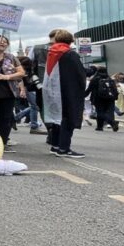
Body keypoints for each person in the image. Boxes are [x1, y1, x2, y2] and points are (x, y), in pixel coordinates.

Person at [42, 29, 86, 158]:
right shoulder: (69, 53)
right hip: (69, 90)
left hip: (54, 90)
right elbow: (79, 73)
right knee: (68, 118)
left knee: (57, 118)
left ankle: (55, 145)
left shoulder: (52, 52)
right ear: (70, 40)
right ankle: (64, 148)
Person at [14, 56, 45, 134]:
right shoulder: (24, 69)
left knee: (34, 106)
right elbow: (22, 80)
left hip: (28, 88)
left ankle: (15, 118)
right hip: (28, 88)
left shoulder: (20, 67)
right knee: (35, 106)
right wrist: (23, 90)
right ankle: (34, 126)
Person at [85, 66, 119, 132]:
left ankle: (111, 123)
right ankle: (101, 126)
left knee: (100, 112)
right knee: (110, 112)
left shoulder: (95, 79)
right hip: (110, 98)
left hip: (98, 98)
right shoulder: (109, 79)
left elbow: (89, 89)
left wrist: (82, 96)